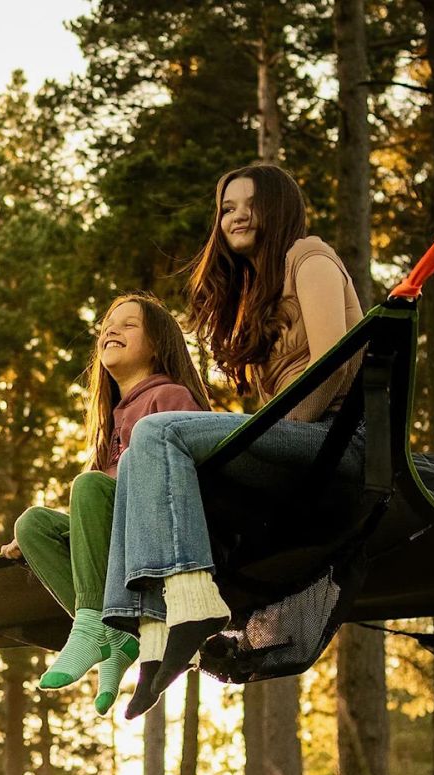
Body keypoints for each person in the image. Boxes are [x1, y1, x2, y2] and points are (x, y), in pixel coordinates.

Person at [102, 163, 366, 718]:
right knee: (135, 463)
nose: (237, 215)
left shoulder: (309, 258)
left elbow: (335, 364)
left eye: (250, 204)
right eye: (226, 208)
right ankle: (150, 634)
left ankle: (194, 602)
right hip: (293, 443)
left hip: (334, 439)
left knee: (157, 430)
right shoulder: (254, 294)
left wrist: (269, 432)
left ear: (280, 210)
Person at [2, 293, 209, 715]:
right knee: (34, 526)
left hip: (157, 541)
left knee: (90, 487)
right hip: (117, 549)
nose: (111, 330)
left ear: (157, 345)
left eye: (129, 325)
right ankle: (109, 631)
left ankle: (98, 624)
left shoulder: (167, 396)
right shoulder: (114, 418)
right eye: (107, 326)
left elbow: (190, 485)